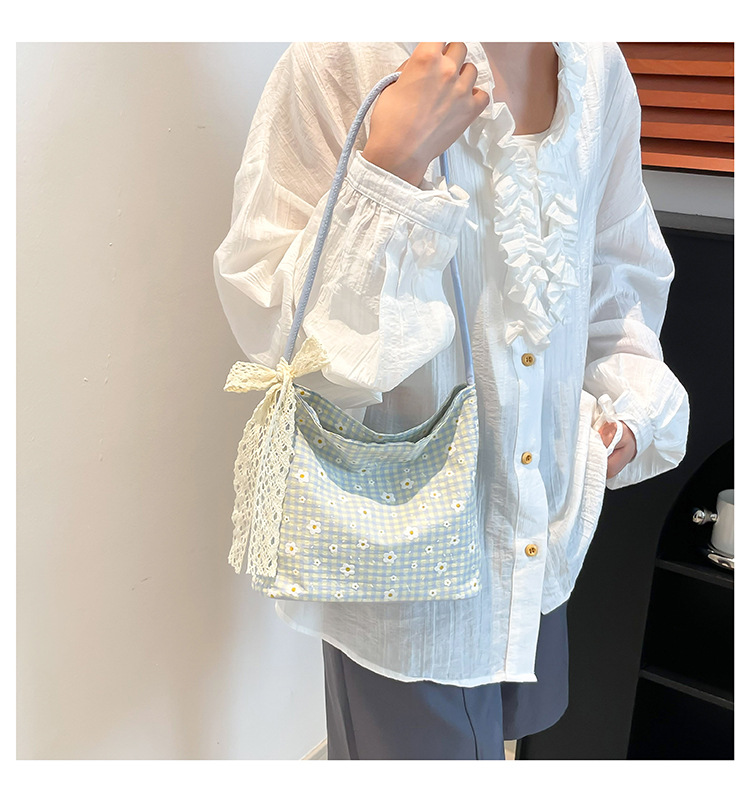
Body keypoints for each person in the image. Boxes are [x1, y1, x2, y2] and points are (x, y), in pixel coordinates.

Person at [213, 42, 690, 759]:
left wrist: (627, 404)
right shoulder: (343, 53)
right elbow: (280, 333)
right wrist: (391, 164)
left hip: (539, 525)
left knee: (501, 742)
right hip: (398, 558)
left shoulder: (594, 62)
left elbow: (617, 262)